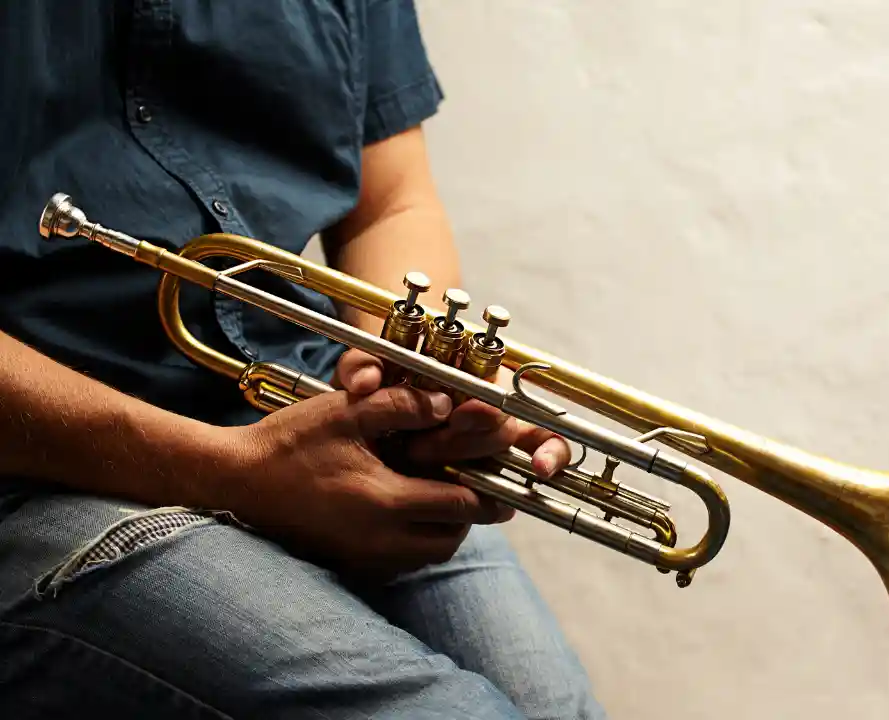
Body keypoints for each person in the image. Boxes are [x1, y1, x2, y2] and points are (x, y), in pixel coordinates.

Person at [0, 2, 607, 718]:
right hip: (42, 480)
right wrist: (235, 470)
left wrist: (418, 373)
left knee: (556, 708)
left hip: (314, 418)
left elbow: (391, 204)